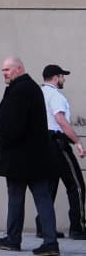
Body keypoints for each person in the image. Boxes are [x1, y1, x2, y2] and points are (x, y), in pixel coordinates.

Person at [0, 56, 60, 255]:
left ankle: (14, 239)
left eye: (7, 70)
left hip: (20, 157)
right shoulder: (30, 88)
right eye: (3, 70)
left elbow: (12, 125)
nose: (4, 73)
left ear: (19, 69)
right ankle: (50, 241)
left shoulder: (20, 90)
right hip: (35, 157)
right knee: (42, 198)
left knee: (16, 197)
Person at [35, 65, 86, 240]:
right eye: (62, 76)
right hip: (58, 144)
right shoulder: (56, 96)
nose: (64, 79)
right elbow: (61, 120)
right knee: (77, 186)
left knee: (49, 187)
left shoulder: (38, 94)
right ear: (56, 78)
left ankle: (43, 227)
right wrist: (77, 142)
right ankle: (77, 228)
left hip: (42, 145)